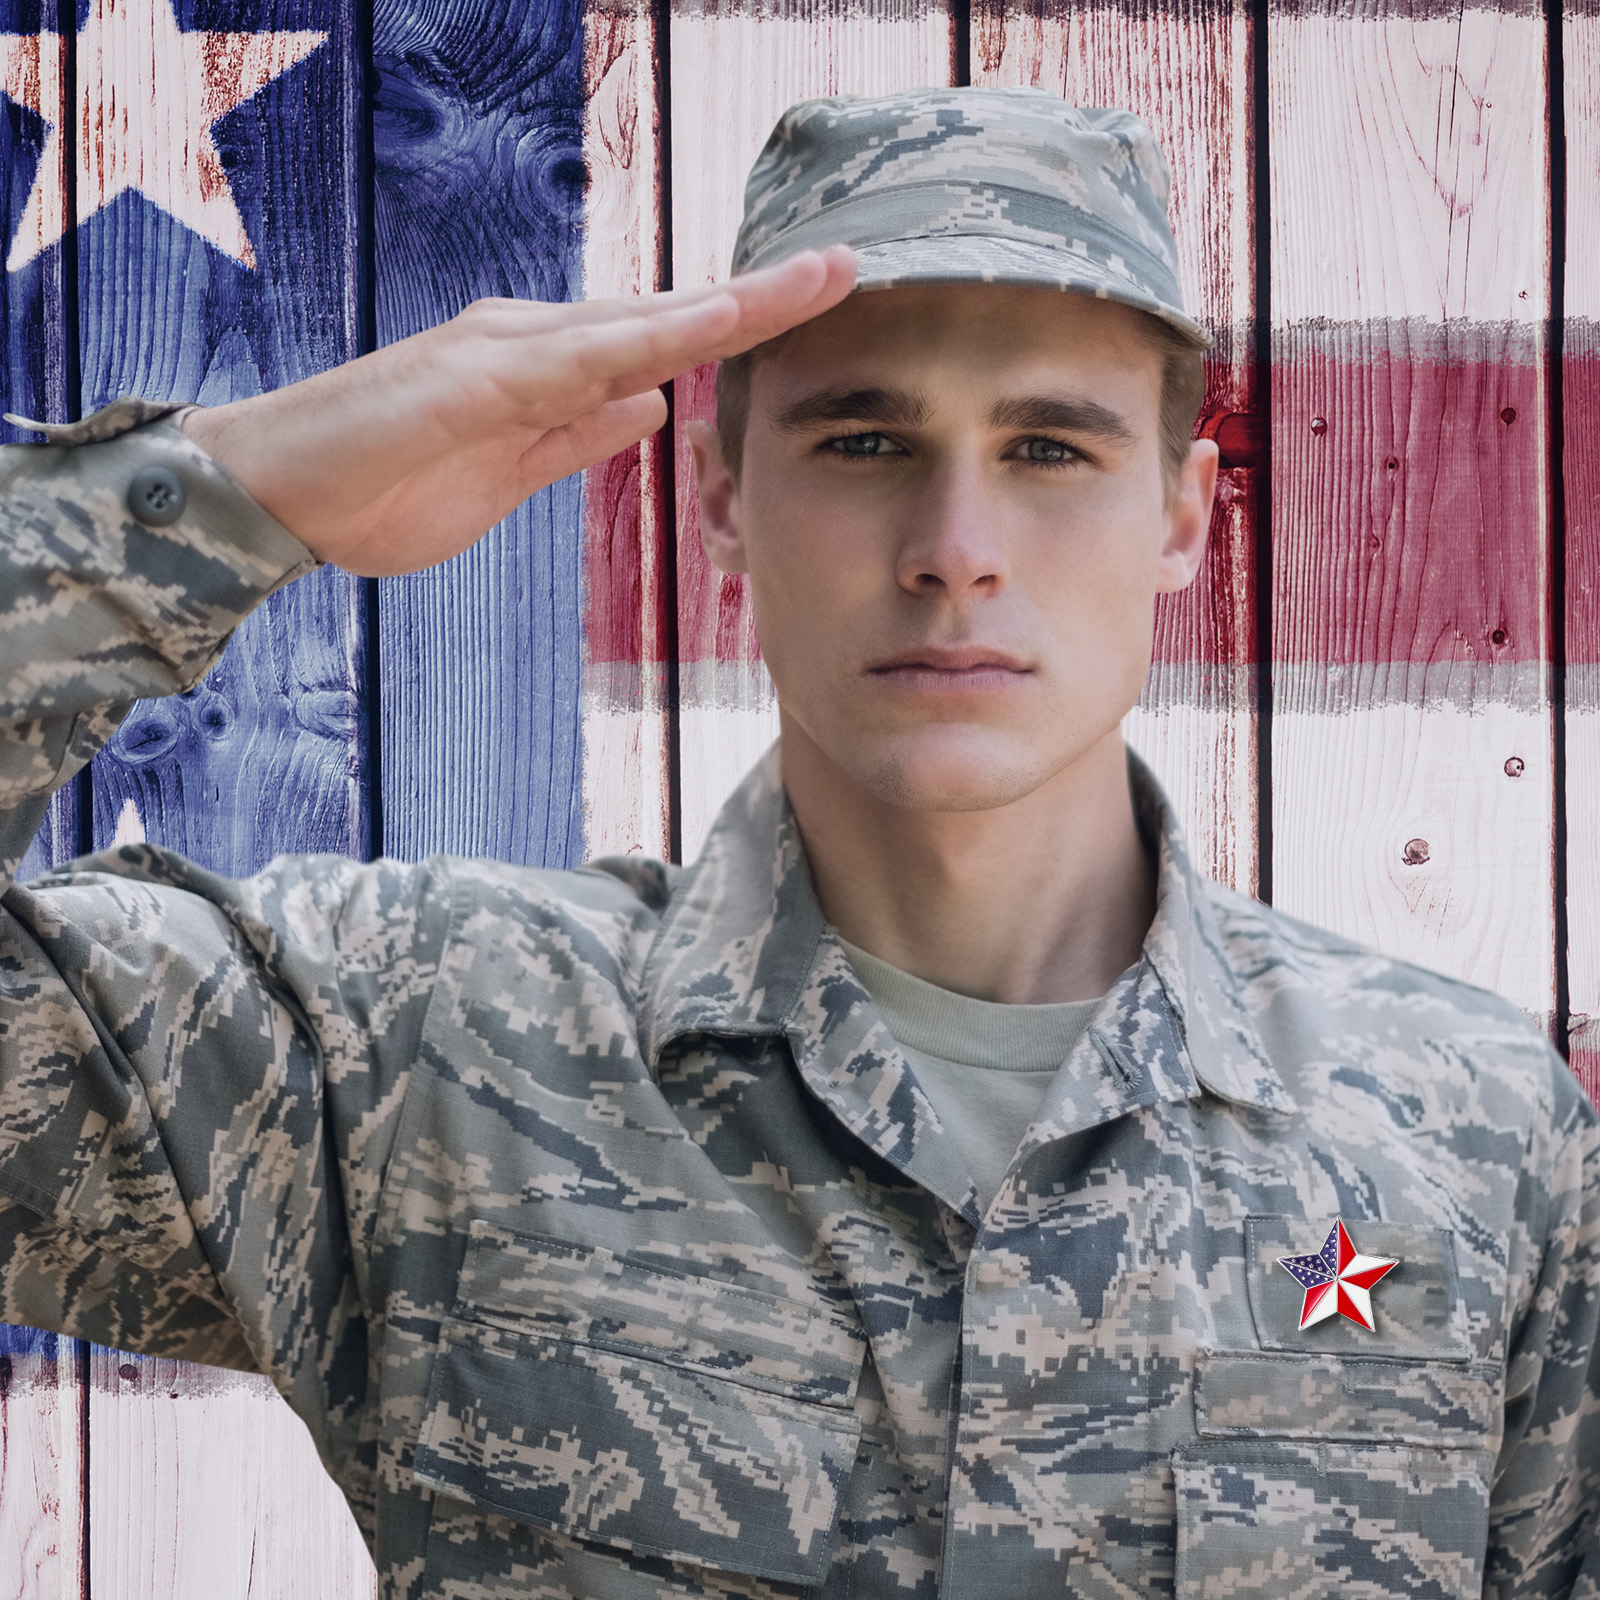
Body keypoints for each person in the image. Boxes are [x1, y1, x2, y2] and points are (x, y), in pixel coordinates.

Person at [1, 87, 1595, 1600]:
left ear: (1181, 516)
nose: (956, 552)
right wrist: (219, 498)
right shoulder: (417, 1039)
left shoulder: (1470, 1136)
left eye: (1050, 448)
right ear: (718, 499)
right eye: (862, 441)